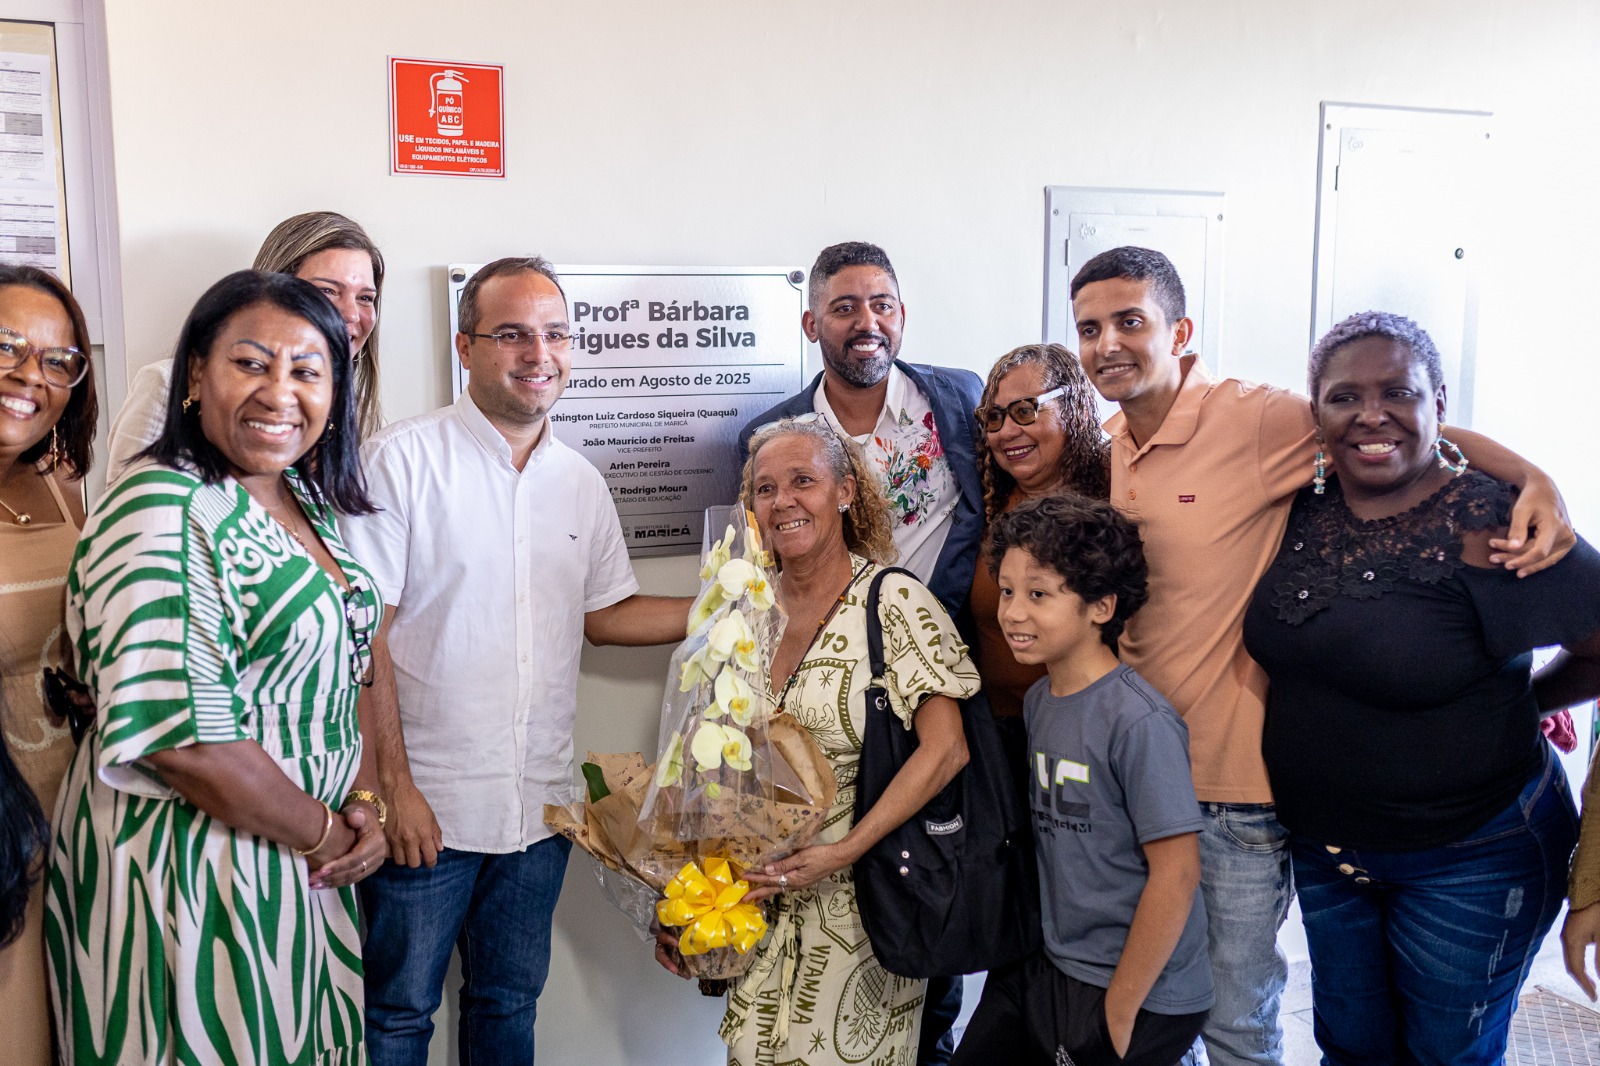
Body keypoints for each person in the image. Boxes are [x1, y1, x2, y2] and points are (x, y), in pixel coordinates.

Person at [1068, 245, 1574, 1066]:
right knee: (1169, 1001)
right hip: (1142, 771)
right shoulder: (1112, 441)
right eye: (1090, 328)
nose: (1108, 345)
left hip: (1234, 787)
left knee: (1235, 1016)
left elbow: (1394, 421)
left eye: (1131, 322)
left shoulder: (1255, 417)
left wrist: (1534, 476)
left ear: (1181, 330)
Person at [344, 256, 694, 1066]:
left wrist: (737, 605)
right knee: (396, 1015)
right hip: (426, 806)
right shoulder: (401, 463)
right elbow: (364, 635)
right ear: (465, 348)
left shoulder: (579, 481)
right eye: (512, 335)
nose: (540, 353)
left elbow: (606, 617)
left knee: (508, 1007)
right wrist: (392, 786)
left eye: (556, 334)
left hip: (539, 811)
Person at [46, 270, 388, 1065]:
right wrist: (325, 833)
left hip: (296, 867)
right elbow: (183, 738)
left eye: (308, 371)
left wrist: (363, 800)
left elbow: (349, 664)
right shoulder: (161, 504)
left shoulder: (297, 494)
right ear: (196, 373)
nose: (280, 392)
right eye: (251, 363)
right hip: (191, 872)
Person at [1240, 311, 1600, 1064]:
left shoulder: (1496, 522)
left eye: (1398, 392)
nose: (1372, 415)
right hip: (1327, 849)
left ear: (1438, 400)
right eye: (1345, 397)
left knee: (1448, 1055)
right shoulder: (1301, 506)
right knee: (1351, 1047)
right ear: (1318, 413)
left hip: (1474, 852)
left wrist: (1527, 704)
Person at [654, 415, 978, 1066]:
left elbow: (948, 751)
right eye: (766, 490)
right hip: (756, 915)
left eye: (803, 480)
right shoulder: (744, 612)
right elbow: (710, 766)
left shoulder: (893, 604)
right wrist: (687, 899)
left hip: (862, 914)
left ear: (846, 492)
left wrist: (846, 850)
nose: (783, 502)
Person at [738, 242, 983, 1060]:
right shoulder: (750, 617)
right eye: (844, 307)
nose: (867, 321)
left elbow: (946, 751)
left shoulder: (957, 402)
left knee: (922, 975)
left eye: (882, 303)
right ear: (812, 323)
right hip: (771, 890)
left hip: (916, 711)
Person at [954, 494, 1210, 1066]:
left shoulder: (1139, 721)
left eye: (1038, 594)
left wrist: (1119, 1012)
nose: (1012, 612)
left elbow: (1177, 873)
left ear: (1100, 606)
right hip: (1049, 961)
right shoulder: (1041, 699)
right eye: (1009, 590)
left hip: (1132, 987)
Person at [105, 209, 385, 481]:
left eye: (365, 298)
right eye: (327, 291)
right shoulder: (168, 385)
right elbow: (128, 510)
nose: (350, 315)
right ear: (274, 288)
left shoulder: (363, 411)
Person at [0, 265, 95, 1066]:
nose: (32, 374)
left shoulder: (65, 488)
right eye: (8, 346)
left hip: (77, 812)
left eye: (60, 359)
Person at [967, 343, 1109, 778]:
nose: (1007, 431)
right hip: (1001, 737)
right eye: (994, 417)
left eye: (1026, 410)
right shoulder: (984, 502)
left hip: (1097, 734)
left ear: (1075, 407)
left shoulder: (1120, 487)